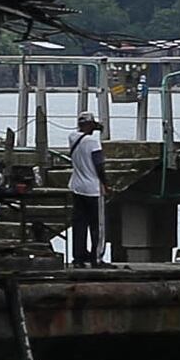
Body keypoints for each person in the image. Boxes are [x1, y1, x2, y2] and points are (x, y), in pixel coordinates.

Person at [64, 107, 109, 265]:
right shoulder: (93, 142)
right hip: (93, 189)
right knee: (98, 226)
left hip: (76, 186)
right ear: (90, 126)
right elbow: (99, 165)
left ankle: (78, 257)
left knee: (79, 224)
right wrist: (105, 183)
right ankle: (96, 258)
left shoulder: (72, 137)